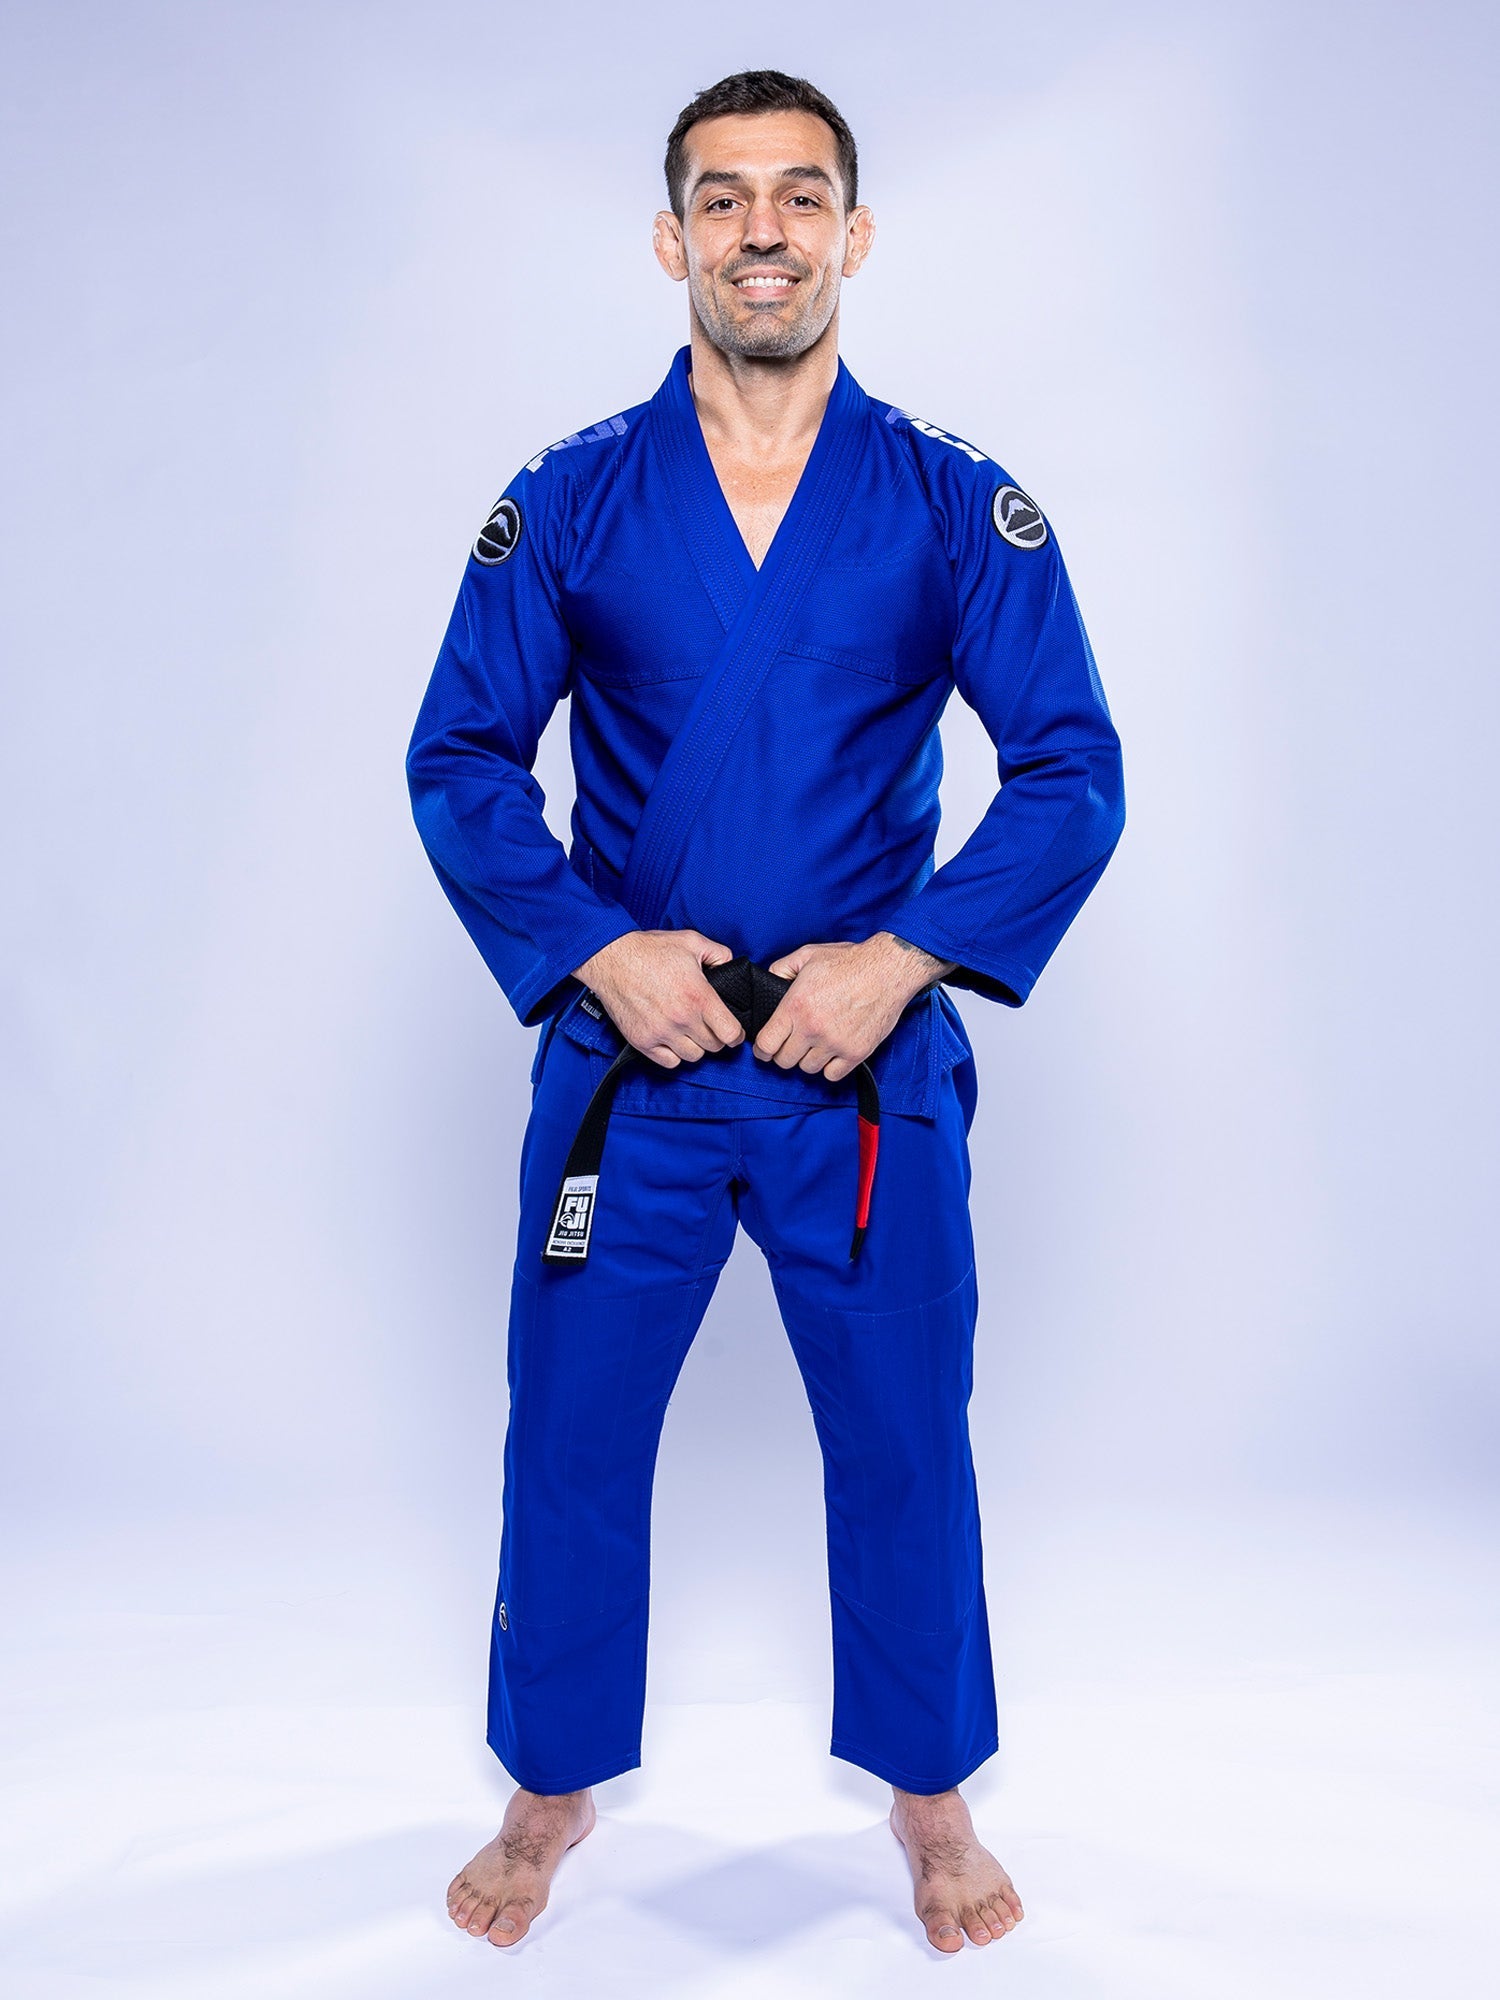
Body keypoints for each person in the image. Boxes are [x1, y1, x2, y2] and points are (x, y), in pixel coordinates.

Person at [405, 68, 1124, 1954]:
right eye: (723, 200)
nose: (763, 233)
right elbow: (462, 759)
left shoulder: (950, 501)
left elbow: (1072, 771)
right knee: (569, 1434)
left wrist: (906, 960)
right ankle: (550, 1787)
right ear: (673, 240)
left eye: (800, 197)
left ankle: (932, 1798)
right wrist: (593, 951)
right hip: (630, 1066)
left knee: (904, 1438)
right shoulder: (571, 496)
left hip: (855, 1067)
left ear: (854, 235)